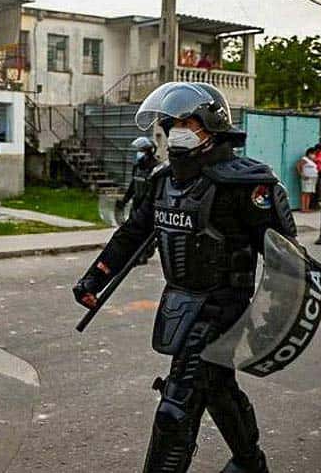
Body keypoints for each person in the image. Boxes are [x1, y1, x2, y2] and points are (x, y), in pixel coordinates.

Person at [73, 82, 298, 473]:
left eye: (186, 121)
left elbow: (286, 259)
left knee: (176, 405)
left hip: (224, 306)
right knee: (216, 387)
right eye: (171, 122)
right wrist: (95, 279)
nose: (176, 129)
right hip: (180, 302)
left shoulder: (245, 185)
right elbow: (132, 233)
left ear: (211, 125)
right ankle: (250, 461)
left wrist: (275, 318)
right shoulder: (163, 181)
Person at [118, 136, 160, 264]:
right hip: (136, 203)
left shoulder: (156, 168)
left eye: (141, 150)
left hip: (148, 206)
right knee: (133, 230)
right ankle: (135, 253)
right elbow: (133, 185)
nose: (138, 153)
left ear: (149, 152)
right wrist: (124, 200)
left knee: (145, 231)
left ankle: (144, 253)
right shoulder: (137, 167)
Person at [296, 147, 319, 213]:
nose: (314, 155)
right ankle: (303, 208)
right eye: (313, 153)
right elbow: (298, 165)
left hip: (312, 178)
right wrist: (302, 174)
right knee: (305, 193)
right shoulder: (304, 159)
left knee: (308, 193)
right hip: (307, 178)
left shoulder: (311, 161)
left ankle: (307, 207)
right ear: (309, 153)